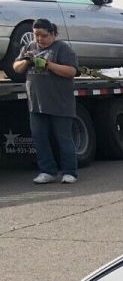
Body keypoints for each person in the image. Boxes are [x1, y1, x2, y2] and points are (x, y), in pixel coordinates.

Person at [11, 18, 79, 184]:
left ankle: (69, 172)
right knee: (39, 138)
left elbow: (71, 71)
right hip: (36, 103)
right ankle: (47, 171)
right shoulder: (29, 47)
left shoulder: (61, 48)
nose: (39, 39)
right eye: (36, 35)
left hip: (60, 103)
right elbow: (16, 67)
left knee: (63, 139)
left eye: (44, 35)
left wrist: (48, 64)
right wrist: (27, 60)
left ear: (54, 34)